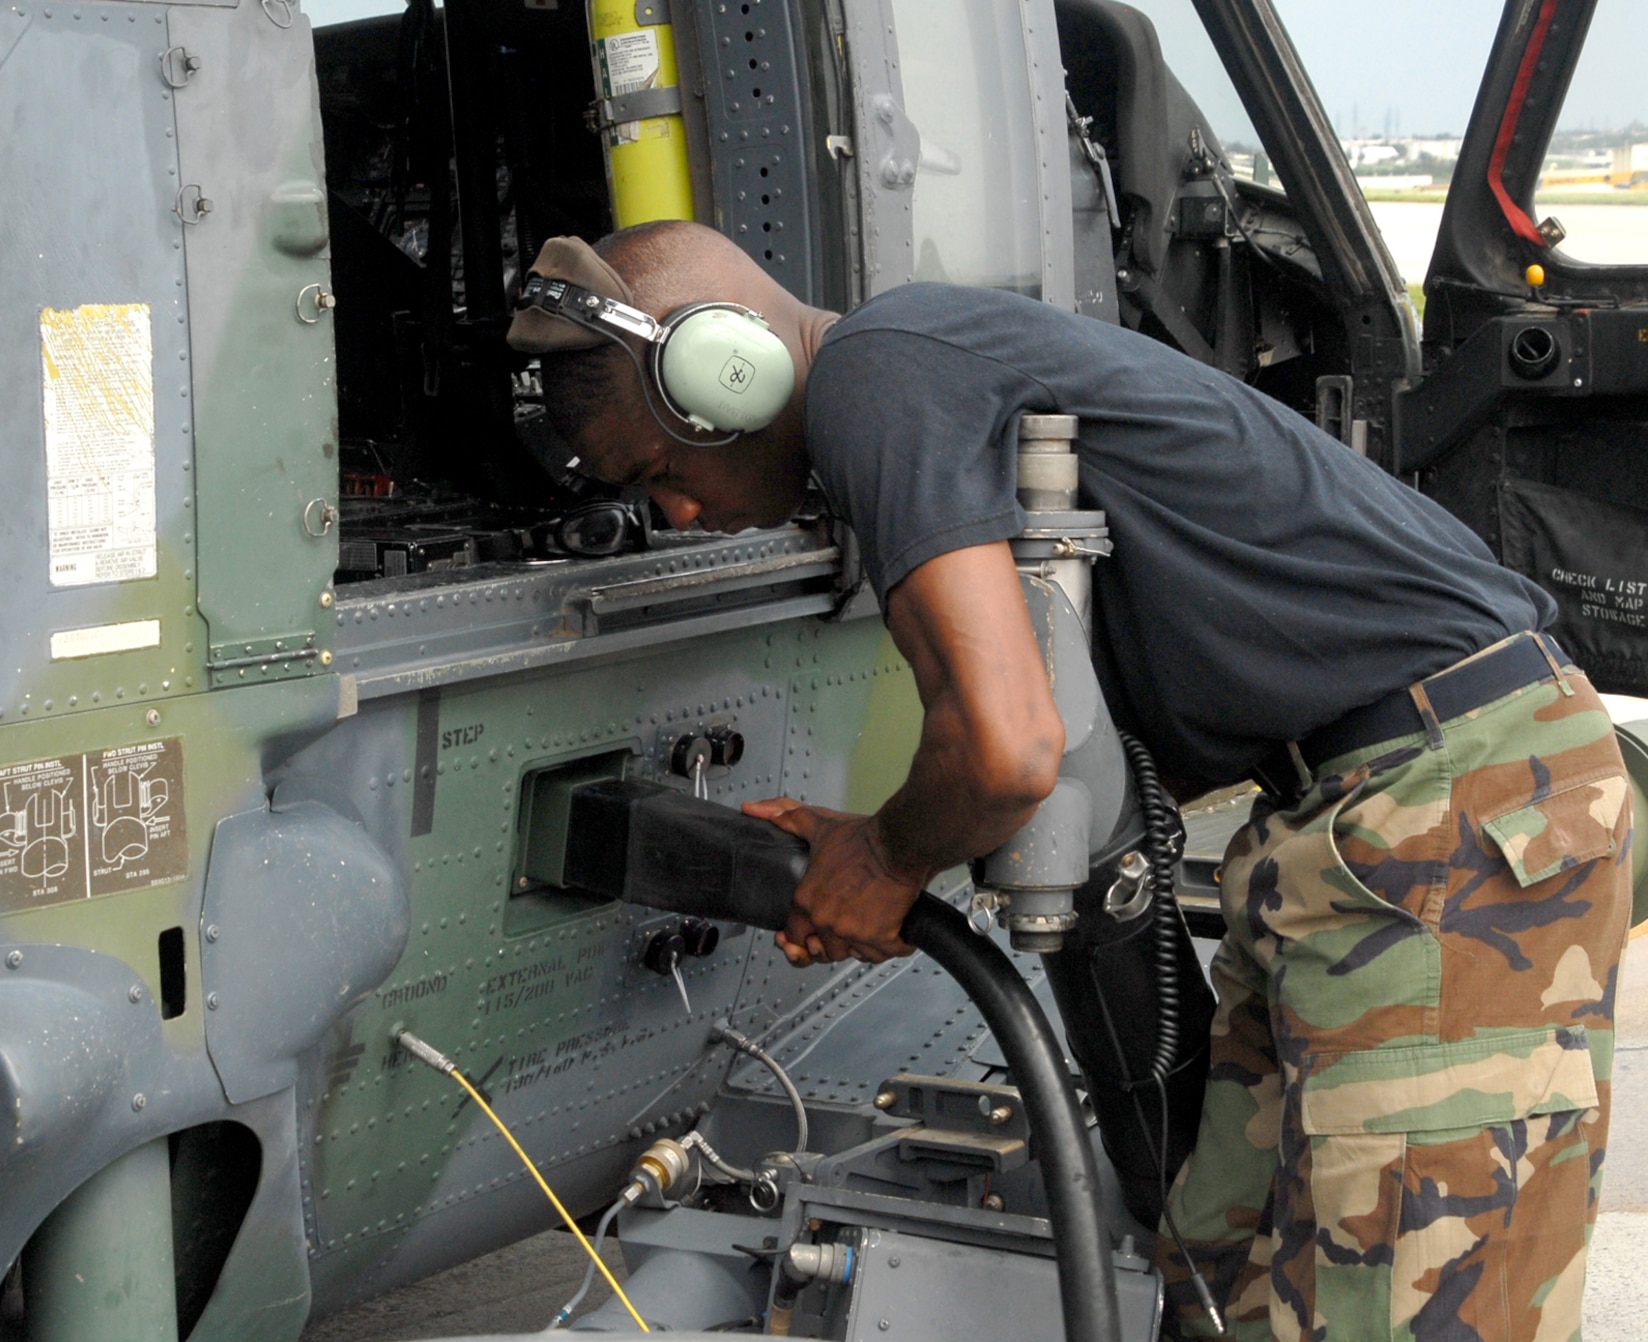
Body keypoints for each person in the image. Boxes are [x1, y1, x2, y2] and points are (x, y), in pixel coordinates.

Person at [505, 220, 1631, 1341]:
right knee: (1210, 1283)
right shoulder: (911, 369)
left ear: (728, 374)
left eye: (661, 471)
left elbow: (1006, 746)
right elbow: (1005, 738)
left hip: (1445, 811)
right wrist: (885, 836)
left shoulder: (875, 374)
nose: (680, 516)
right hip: (1349, 823)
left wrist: (885, 857)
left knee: (1401, 1313)